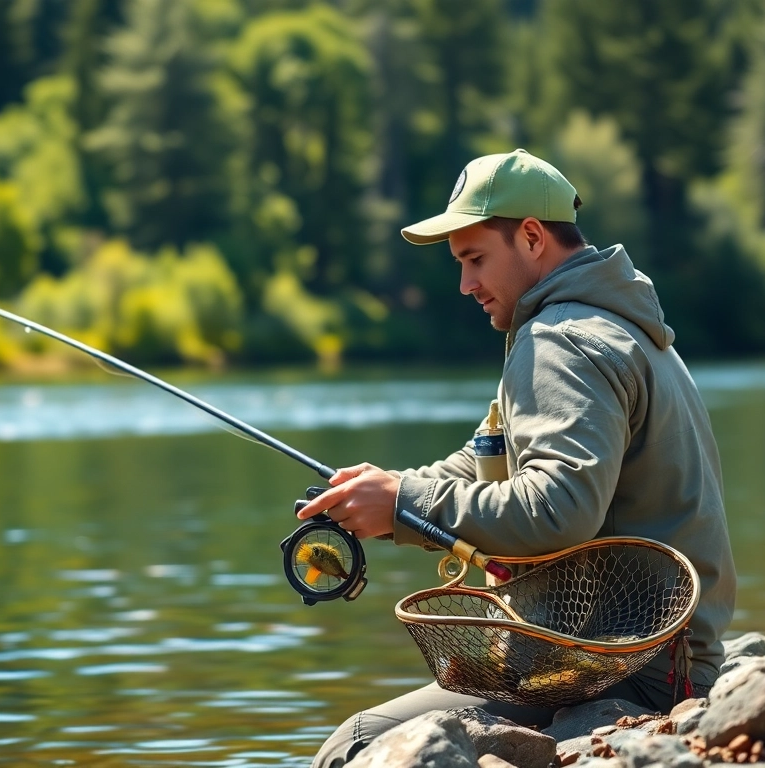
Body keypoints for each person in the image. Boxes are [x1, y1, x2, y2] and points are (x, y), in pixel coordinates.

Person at [300, 149, 737, 768]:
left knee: (359, 743)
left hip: (625, 672)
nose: (465, 284)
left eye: (475, 260)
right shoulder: (613, 323)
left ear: (532, 237)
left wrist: (403, 506)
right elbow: (488, 456)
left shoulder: (560, 341)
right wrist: (389, 487)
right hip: (653, 660)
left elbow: (558, 509)